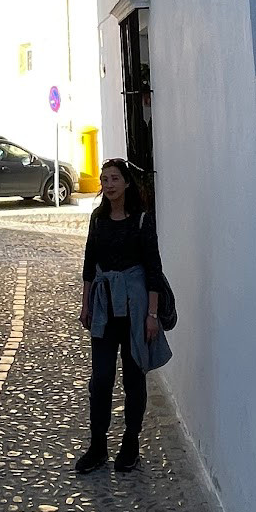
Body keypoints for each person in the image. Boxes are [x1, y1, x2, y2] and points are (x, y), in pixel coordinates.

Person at [76, 158, 171, 474]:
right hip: (104, 307)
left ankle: (131, 442)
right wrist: (86, 304)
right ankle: (98, 445)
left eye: (114, 178)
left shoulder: (143, 221)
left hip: (135, 308)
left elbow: (153, 269)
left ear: (127, 183)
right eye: (104, 179)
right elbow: (90, 265)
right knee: (100, 380)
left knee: (134, 379)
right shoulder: (98, 220)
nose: (108, 183)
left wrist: (152, 315)